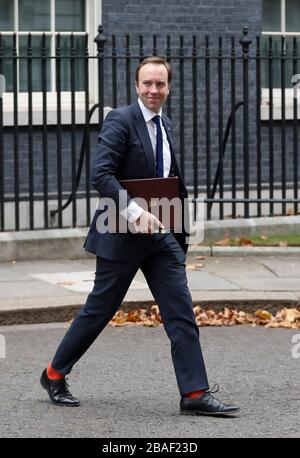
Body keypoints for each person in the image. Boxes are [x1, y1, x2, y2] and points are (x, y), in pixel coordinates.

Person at [40, 56, 239, 416]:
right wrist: (135, 212)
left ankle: (194, 393)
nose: (153, 90)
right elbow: (101, 175)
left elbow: (168, 181)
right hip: (121, 233)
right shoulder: (120, 120)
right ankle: (54, 374)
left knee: (180, 311)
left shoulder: (165, 123)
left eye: (160, 84)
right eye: (147, 83)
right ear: (136, 86)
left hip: (160, 236)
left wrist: (177, 231)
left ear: (168, 87)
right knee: (100, 310)